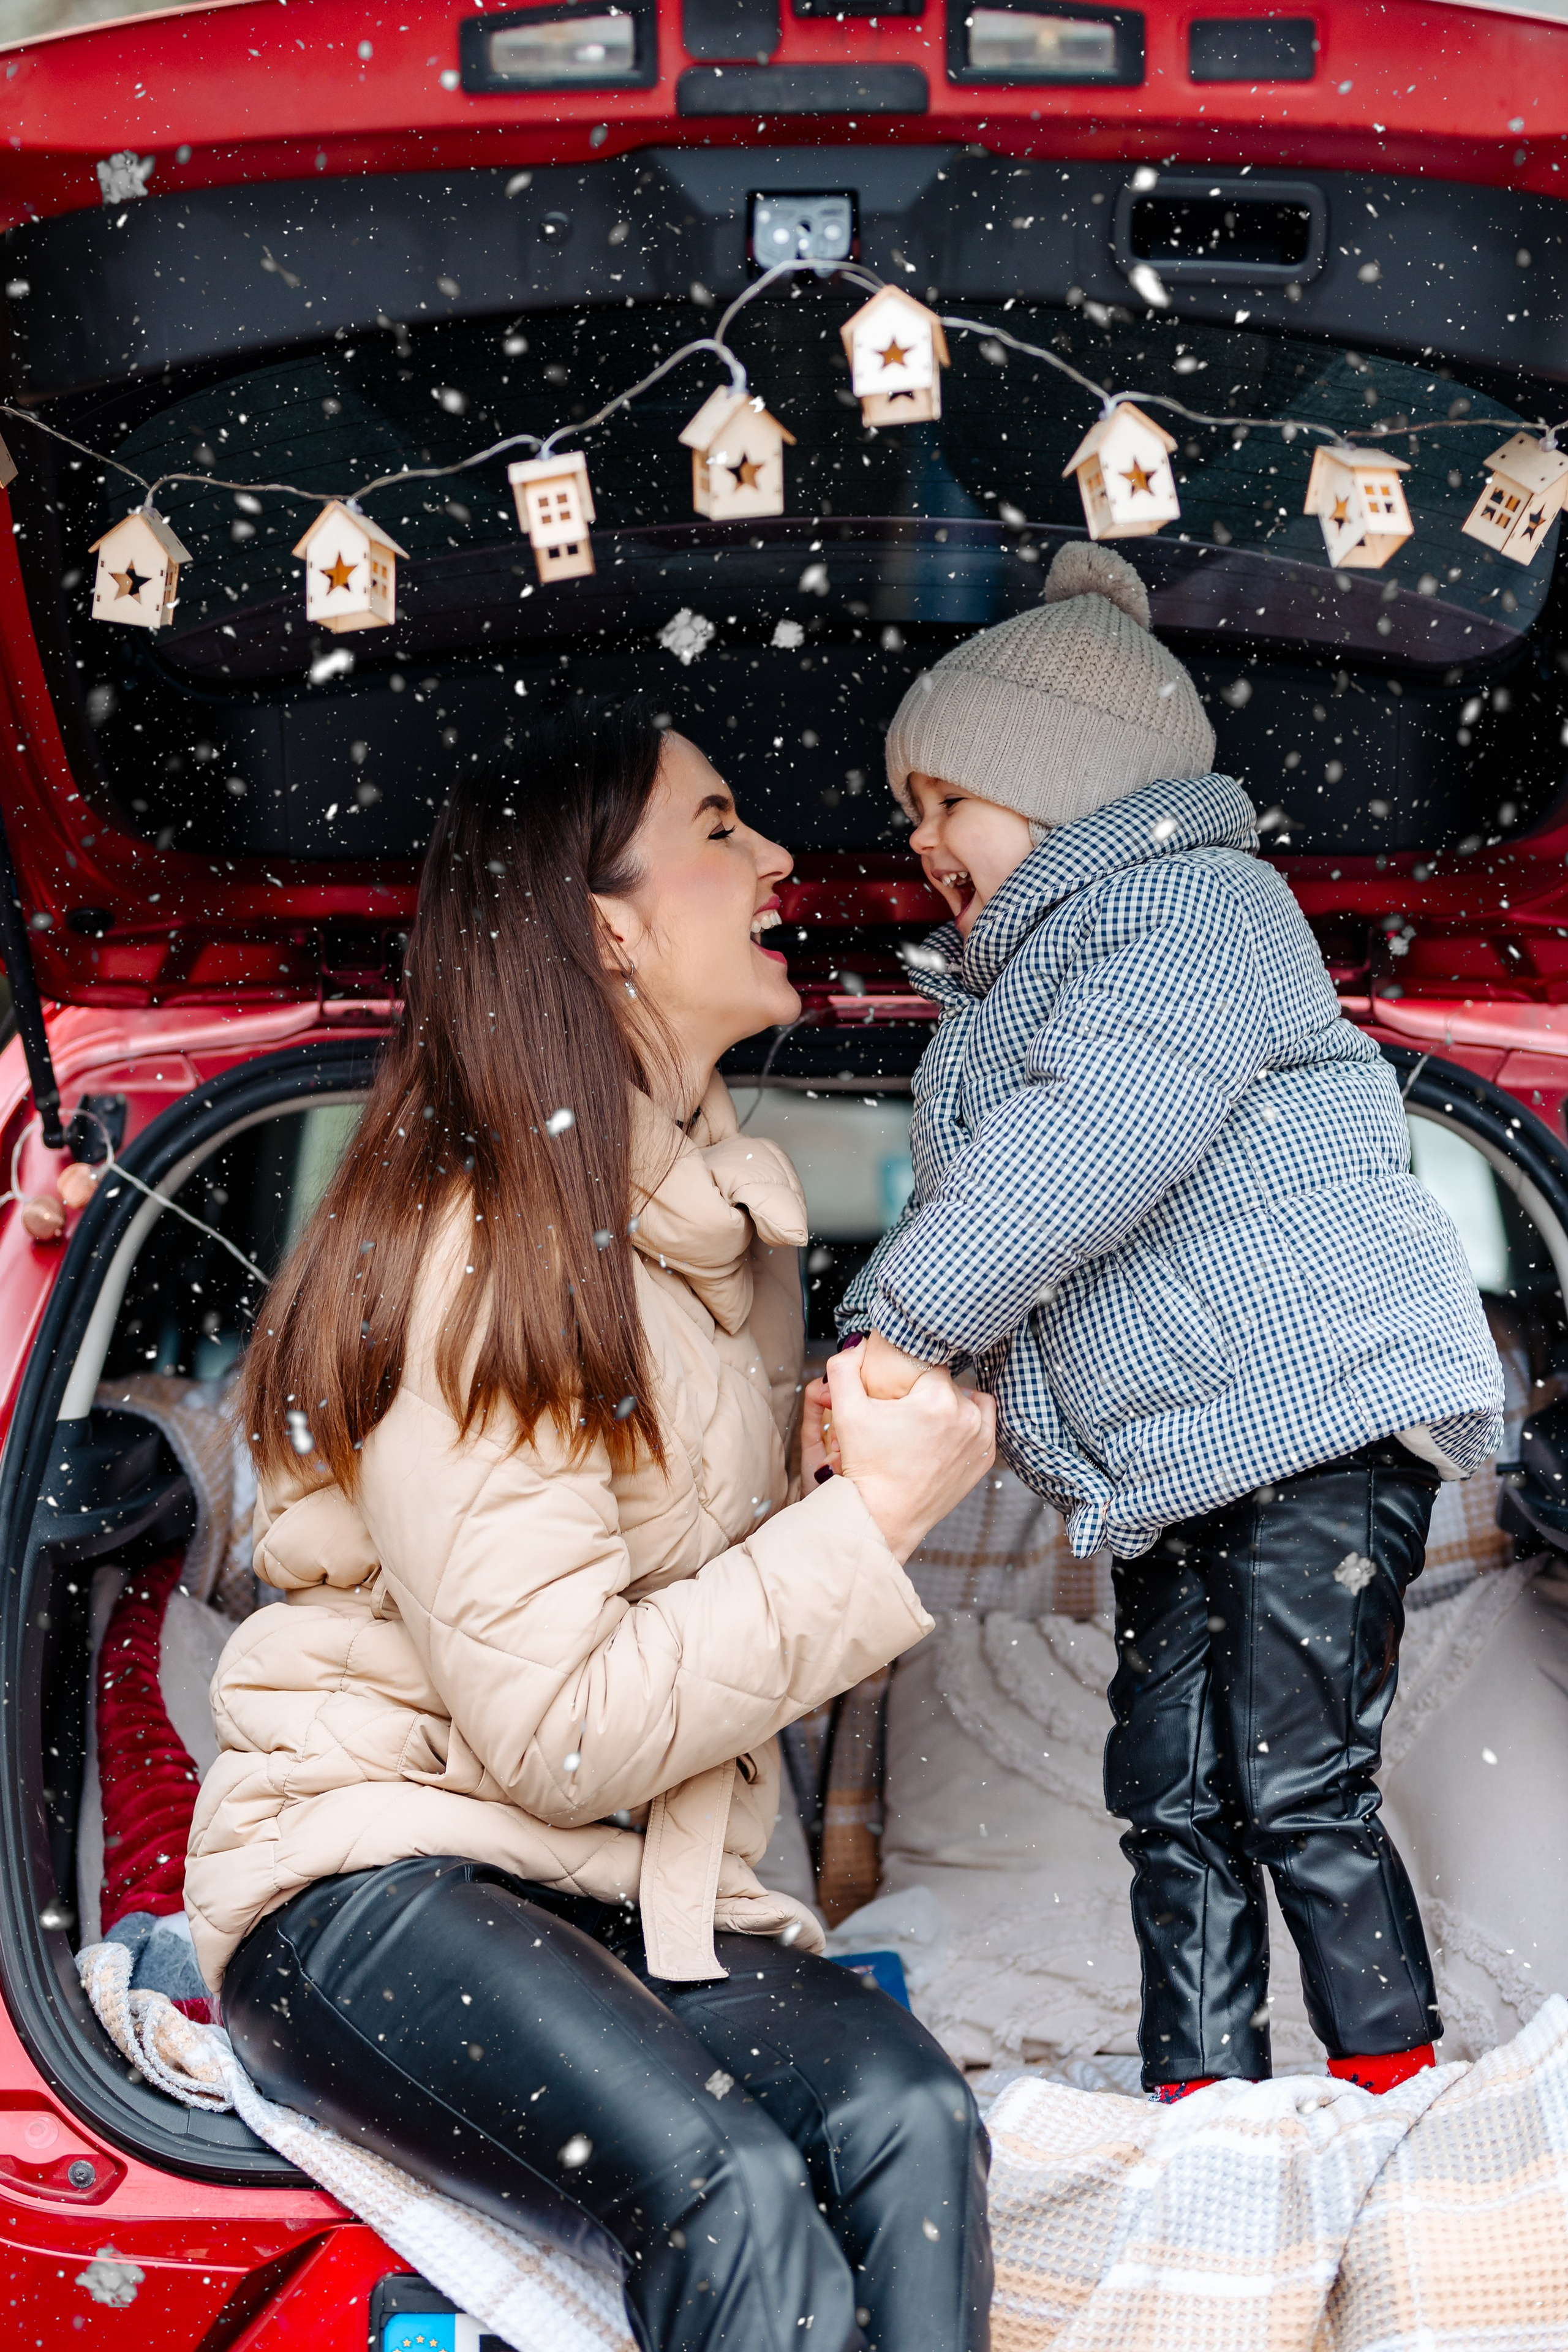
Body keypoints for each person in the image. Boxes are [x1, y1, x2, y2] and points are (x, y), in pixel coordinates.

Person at [186, 696, 997, 2352]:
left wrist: (833, 1487)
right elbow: (558, 1729)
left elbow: (675, 1613)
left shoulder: (710, 1235)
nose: (778, 860)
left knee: (911, 2122)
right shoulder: (490, 1252)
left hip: (620, 1896)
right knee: (731, 2187)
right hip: (370, 1883)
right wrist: (864, 1530)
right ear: (605, 930)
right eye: (720, 829)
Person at [838, 541, 1504, 2102]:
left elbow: (1086, 1144)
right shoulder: (1021, 987)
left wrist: (898, 1328)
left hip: (1314, 1417)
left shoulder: (1194, 913)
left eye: (945, 798)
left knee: (1292, 1776)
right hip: (1185, 1457)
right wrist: (896, 1348)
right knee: (1170, 1788)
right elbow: (1016, 1194)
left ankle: (1387, 2081)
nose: (918, 837)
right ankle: (1195, 2095)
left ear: (1061, 786)